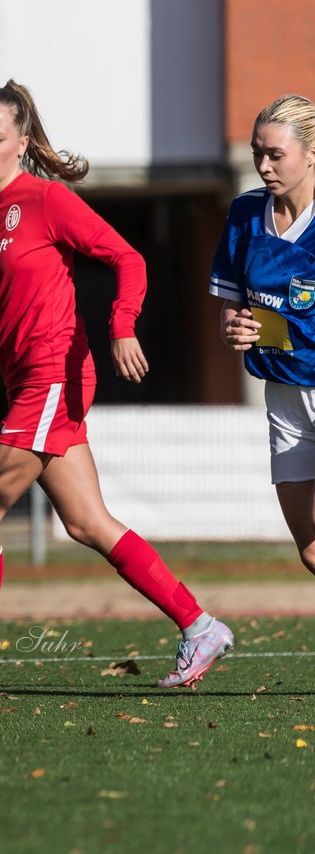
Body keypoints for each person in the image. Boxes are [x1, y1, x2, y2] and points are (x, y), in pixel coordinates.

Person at [0, 80, 233, 692]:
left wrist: (122, 327)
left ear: (21, 142)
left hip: (54, 376)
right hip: (30, 384)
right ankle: (200, 625)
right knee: (87, 523)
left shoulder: (47, 200)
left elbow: (128, 258)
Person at [213, 94, 315, 576]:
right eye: (258, 152)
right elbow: (232, 302)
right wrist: (233, 326)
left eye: (276, 154)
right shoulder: (245, 212)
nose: (263, 165)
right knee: (311, 548)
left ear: (311, 152)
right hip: (281, 390)